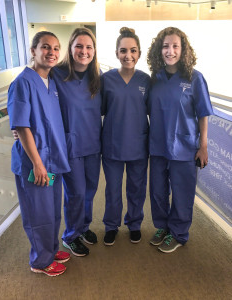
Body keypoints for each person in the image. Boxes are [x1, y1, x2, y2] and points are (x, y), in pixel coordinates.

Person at [7, 31, 71, 276]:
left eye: (56, 48)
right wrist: (37, 162)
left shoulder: (51, 82)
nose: (51, 52)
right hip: (35, 164)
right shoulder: (23, 82)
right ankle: (40, 261)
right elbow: (21, 126)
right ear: (33, 51)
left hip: (52, 161)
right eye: (45, 47)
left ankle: (51, 249)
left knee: (53, 209)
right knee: (38, 213)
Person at [147, 27, 213, 253]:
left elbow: (203, 113)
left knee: (182, 192)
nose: (170, 51)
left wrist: (203, 146)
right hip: (157, 146)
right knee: (157, 191)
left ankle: (179, 233)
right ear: (159, 49)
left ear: (183, 49)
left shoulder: (195, 78)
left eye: (175, 46)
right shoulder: (154, 79)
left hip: (184, 147)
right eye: (166, 46)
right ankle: (163, 227)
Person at [52, 28, 102, 257]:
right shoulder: (56, 75)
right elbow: (37, 98)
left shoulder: (97, 78)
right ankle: (70, 235)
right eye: (79, 46)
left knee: (90, 191)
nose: (84, 51)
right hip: (71, 145)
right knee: (76, 193)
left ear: (94, 51)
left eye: (88, 47)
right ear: (71, 49)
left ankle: (83, 227)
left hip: (93, 143)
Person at [101, 27, 150, 246]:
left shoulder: (146, 80)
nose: (127, 55)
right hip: (112, 143)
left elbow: (154, 111)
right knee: (112, 189)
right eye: (123, 51)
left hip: (139, 144)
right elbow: (99, 110)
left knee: (136, 188)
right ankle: (111, 225)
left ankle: (134, 223)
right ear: (116, 53)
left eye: (132, 50)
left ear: (139, 53)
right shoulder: (106, 79)